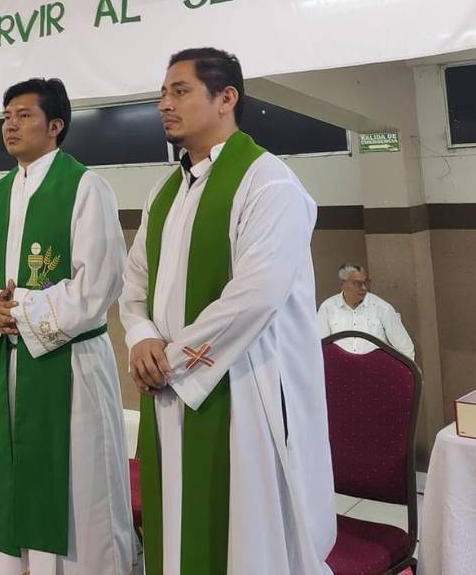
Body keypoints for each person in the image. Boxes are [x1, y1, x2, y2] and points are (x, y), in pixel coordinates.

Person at [119, 48, 336, 575]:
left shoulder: (269, 182)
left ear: (227, 98)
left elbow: (255, 295)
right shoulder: (165, 191)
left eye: (180, 90)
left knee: (246, 541)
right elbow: (134, 284)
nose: (164, 104)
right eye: (162, 94)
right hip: (171, 389)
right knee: (176, 528)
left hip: (244, 391)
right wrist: (141, 337)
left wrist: (172, 358)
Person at [0, 78, 133, 575]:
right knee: (20, 484)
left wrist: (22, 311)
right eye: (6, 115)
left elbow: (100, 281)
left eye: (24, 115)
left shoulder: (85, 187)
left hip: (71, 366)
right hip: (13, 366)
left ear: (55, 126)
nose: (10, 125)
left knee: (81, 495)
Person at [317, 263, 415, 359]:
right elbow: (319, 346)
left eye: (366, 283)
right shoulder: (327, 308)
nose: (364, 288)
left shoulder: (382, 308)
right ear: (342, 284)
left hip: (373, 370)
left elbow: (405, 348)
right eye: (357, 284)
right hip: (339, 370)